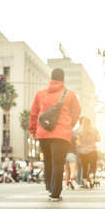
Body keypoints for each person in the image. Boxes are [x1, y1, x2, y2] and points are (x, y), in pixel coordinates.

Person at [29, 68, 81, 201]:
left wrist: (33, 130)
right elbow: (77, 112)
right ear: (63, 79)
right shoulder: (69, 94)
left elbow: (34, 113)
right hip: (61, 134)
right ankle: (55, 193)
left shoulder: (40, 94)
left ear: (51, 79)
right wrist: (69, 125)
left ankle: (50, 187)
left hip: (43, 133)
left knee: (48, 161)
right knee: (58, 163)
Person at [77, 116, 100, 188]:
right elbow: (99, 139)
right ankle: (91, 176)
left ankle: (85, 183)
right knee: (93, 166)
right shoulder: (94, 130)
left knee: (84, 167)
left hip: (83, 152)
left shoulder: (79, 131)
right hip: (93, 151)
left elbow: (78, 143)